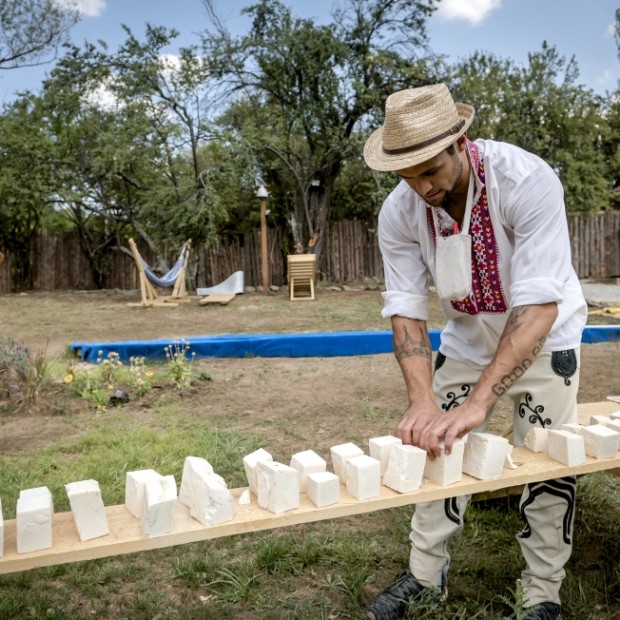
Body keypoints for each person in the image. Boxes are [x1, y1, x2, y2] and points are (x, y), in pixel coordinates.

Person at [362, 83, 587, 620]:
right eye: (406, 175)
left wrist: (481, 401)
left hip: (545, 341)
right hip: (464, 341)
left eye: (430, 170)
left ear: (460, 142)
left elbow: (538, 307)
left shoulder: (526, 181)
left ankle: (541, 592)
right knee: (435, 447)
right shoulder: (400, 212)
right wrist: (422, 400)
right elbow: (407, 308)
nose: (421, 187)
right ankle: (423, 575)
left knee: (549, 462)